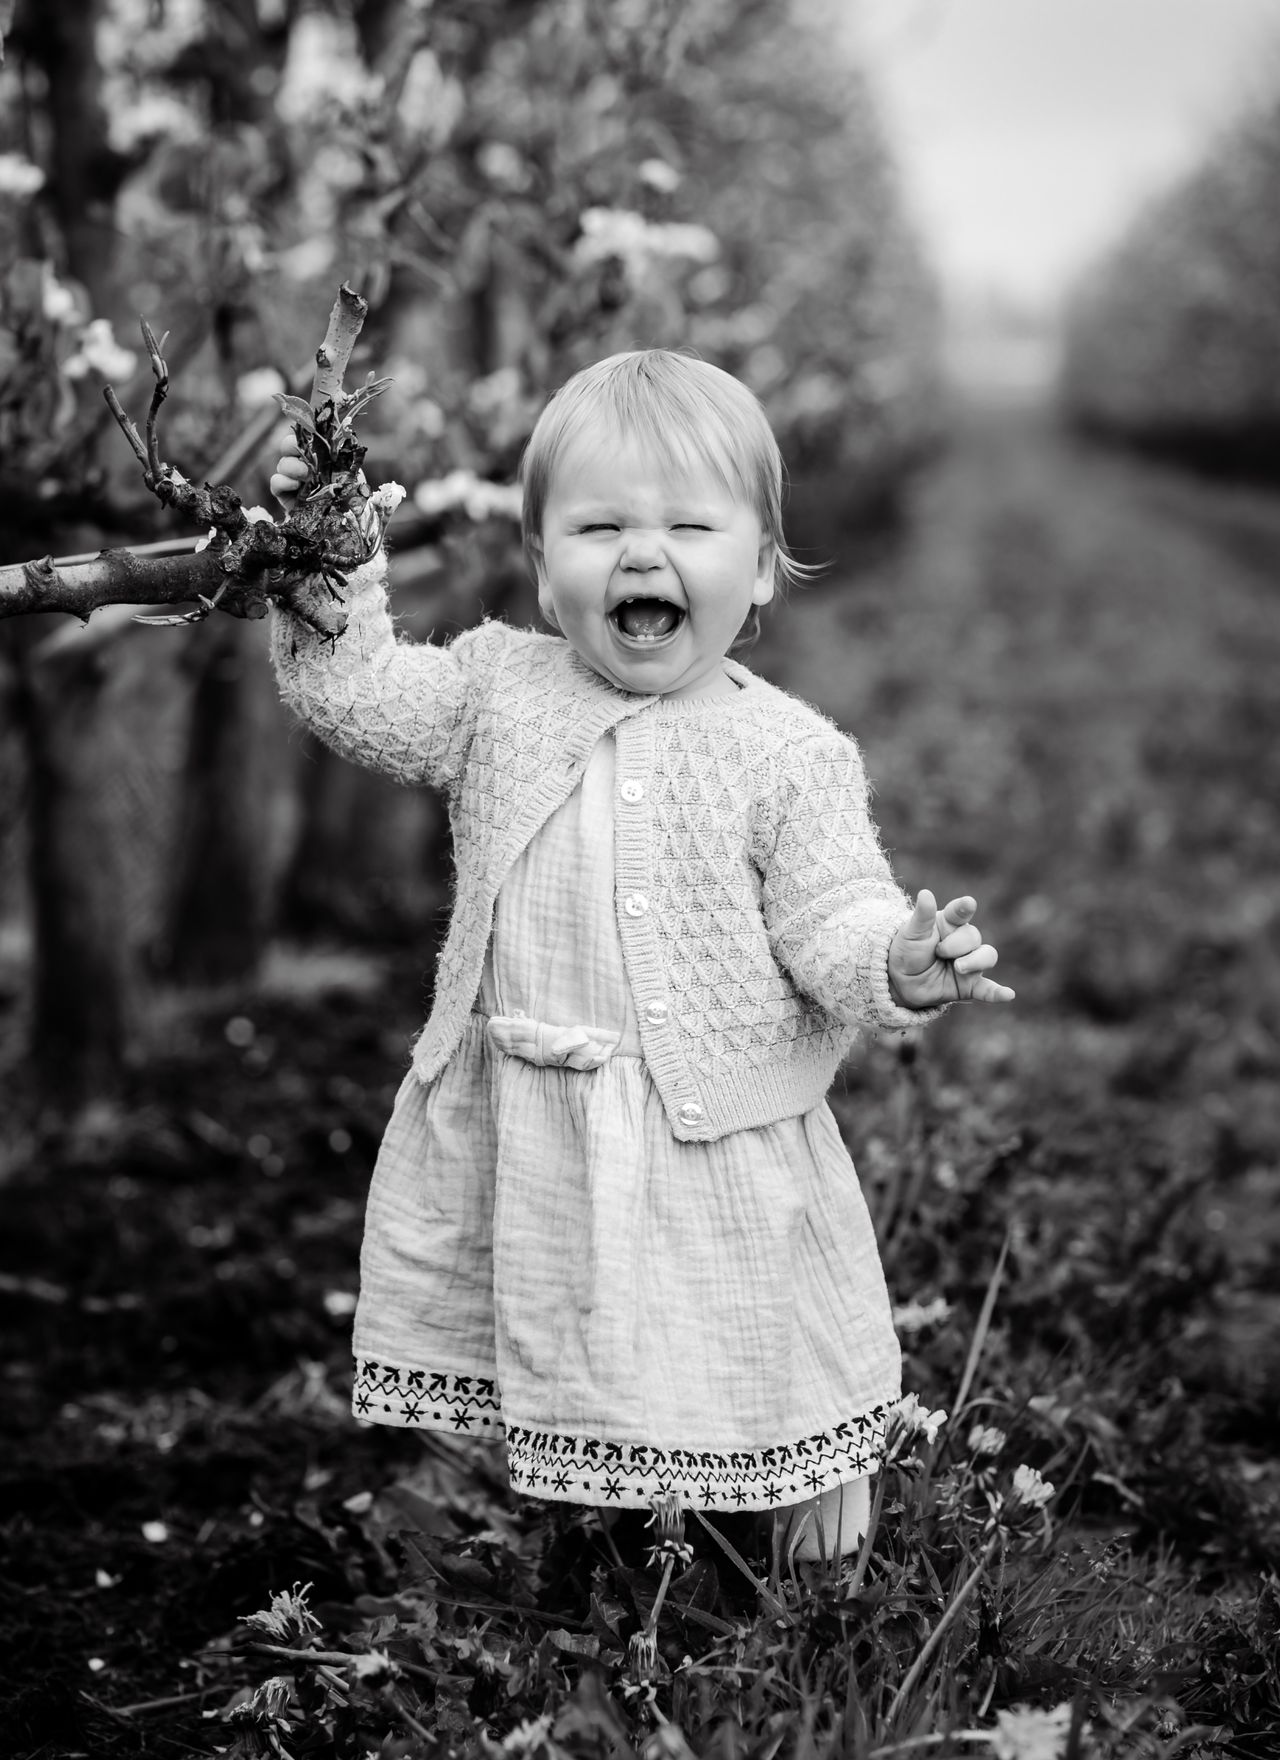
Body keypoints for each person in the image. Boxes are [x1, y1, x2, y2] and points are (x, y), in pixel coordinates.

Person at [268, 349, 1013, 1562]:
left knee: (759, 1365)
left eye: (688, 525)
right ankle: (616, 1573)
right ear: (541, 561)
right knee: (583, 1374)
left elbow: (828, 912)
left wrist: (894, 961)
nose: (639, 551)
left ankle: (812, 1602)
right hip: (545, 1111)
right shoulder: (493, 688)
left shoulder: (786, 751)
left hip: (710, 1136)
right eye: (597, 523)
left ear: (761, 566)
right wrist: (326, 551)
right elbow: (350, 693)